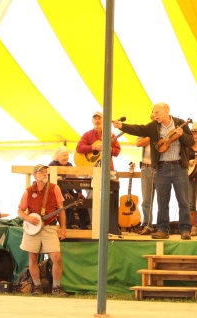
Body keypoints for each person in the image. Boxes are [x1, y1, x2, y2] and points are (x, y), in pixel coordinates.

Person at [113, 102, 194, 240]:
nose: (154, 115)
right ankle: (163, 229)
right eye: (154, 112)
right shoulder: (154, 126)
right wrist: (122, 126)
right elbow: (139, 129)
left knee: (183, 200)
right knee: (162, 201)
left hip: (180, 167)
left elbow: (191, 142)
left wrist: (182, 135)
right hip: (162, 167)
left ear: (166, 110)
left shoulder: (180, 123)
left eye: (157, 112)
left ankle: (185, 229)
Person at [17, 164, 68, 296]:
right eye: (41, 172)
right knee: (33, 258)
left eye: (45, 171)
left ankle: (56, 288)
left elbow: (61, 210)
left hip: (50, 227)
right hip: (32, 229)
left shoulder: (54, 188)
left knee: (56, 257)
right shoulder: (28, 191)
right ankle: (37, 287)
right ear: (35, 176)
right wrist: (28, 218)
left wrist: (63, 228)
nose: (45, 174)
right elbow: (20, 210)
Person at [76, 111, 121, 224]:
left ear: (104, 121)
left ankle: (109, 224)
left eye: (99, 118)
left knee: (110, 196)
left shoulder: (111, 135)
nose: (97, 121)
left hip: (107, 170)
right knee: (91, 197)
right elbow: (79, 148)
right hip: (92, 171)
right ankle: (94, 223)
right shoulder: (87, 135)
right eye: (95, 119)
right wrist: (93, 147)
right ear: (92, 121)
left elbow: (117, 151)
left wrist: (109, 149)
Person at [48, 146, 90, 230]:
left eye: (67, 155)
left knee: (80, 201)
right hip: (57, 191)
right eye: (63, 155)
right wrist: (65, 192)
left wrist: (79, 192)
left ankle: (85, 224)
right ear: (57, 156)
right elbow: (54, 182)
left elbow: (75, 179)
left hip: (69, 190)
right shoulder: (52, 165)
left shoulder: (69, 165)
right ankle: (68, 224)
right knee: (66, 199)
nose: (66, 157)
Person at [136, 136, 156, 235]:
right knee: (146, 200)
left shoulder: (166, 130)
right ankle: (147, 226)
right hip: (146, 167)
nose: (155, 119)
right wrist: (152, 135)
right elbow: (138, 143)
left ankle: (162, 227)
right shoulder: (144, 131)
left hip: (161, 168)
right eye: (153, 118)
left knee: (163, 201)